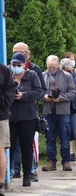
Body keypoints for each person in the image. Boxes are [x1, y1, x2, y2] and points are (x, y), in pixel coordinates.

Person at [11, 42, 46, 182]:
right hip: (11, 116)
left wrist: (24, 96)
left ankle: (29, 173)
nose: (16, 67)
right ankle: (11, 172)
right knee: (11, 146)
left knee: (27, 146)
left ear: (27, 55)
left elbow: (40, 91)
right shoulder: (7, 72)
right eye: (14, 52)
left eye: (21, 52)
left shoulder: (33, 72)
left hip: (28, 115)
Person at [41, 55, 76, 172]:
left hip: (63, 112)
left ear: (58, 65)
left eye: (53, 67)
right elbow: (38, 91)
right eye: (49, 67)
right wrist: (44, 96)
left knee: (64, 136)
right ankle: (51, 161)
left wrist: (60, 98)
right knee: (49, 137)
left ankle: (66, 161)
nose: (51, 69)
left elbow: (73, 93)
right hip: (48, 111)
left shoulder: (66, 76)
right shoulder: (43, 75)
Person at [0, 62, 17, 193]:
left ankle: (0, 183)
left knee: (0, 150)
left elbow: (10, 91)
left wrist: (3, 103)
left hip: (1, 116)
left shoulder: (3, 70)